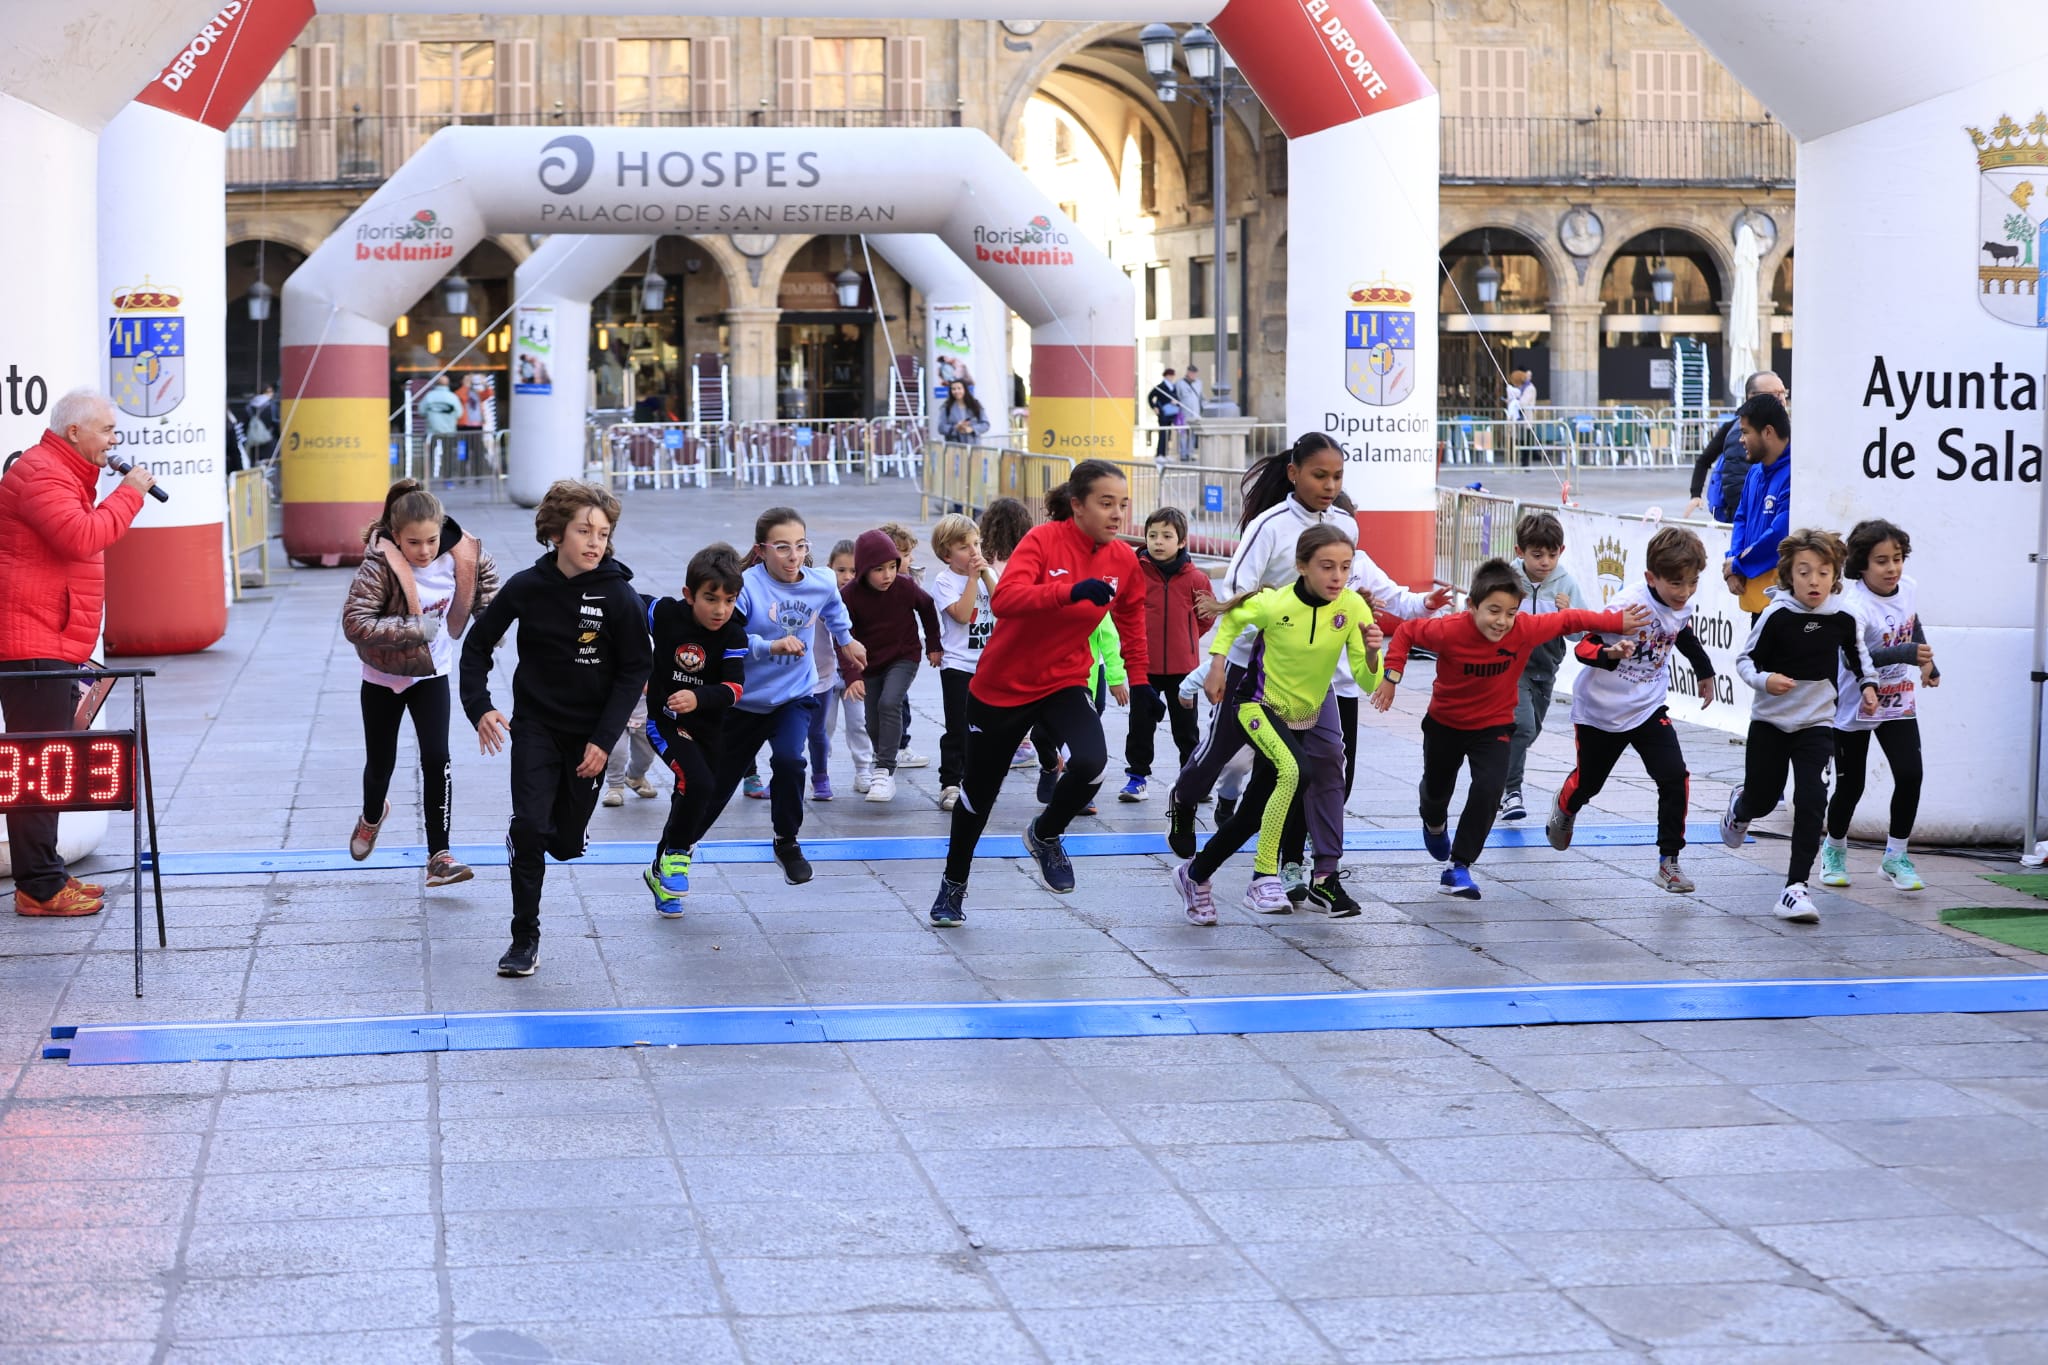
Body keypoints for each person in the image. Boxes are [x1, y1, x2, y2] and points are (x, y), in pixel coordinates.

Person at [928, 460, 1149, 927]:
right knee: (978, 796)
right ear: (1077, 505)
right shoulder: (1043, 541)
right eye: (1105, 503)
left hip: (1064, 680)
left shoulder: (1124, 560)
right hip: (1001, 686)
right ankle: (953, 885)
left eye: (1122, 505)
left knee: (1091, 763)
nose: (1116, 515)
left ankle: (1045, 834)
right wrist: (1067, 593)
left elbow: (1131, 621)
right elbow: (1006, 601)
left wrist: (1141, 680)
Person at [459, 480, 652, 976]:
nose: (594, 542)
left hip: (588, 735)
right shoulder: (527, 586)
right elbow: (477, 647)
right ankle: (524, 937)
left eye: (603, 533)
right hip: (536, 728)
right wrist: (480, 706)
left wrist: (604, 740)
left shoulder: (618, 595)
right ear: (556, 534)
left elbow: (635, 668)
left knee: (563, 843)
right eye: (584, 531)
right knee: (529, 829)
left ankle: (562, 834)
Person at [1373, 557, 1643, 900]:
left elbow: (1570, 619)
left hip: (1494, 726)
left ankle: (1459, 867)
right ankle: (1434, 821)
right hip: (1445, 724)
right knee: (1435, 792)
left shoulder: (1524, 629)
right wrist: (1392, 676)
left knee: (1488, 790)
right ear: (1472, 606)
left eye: (1511, 612)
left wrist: (1616, 621)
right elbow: (1407, 632)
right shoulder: (1449, 629)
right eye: (1493, 611)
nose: (1502, 621)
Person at [1175, 525, 1382, 924]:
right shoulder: (1275, 603)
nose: (1337, 576)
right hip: (1256, 706)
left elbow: (1366, 679)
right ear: (1302, 566)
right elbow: (1233, 619)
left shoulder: (1353, 607)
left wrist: (1374, 655)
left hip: (1301, 716)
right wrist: (1217, 665)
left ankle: (1195, 875)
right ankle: (1263, 878)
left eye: (1344, 567)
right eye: (1326, 567)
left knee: (1253, 812)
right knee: (1295, 772)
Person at [0, 389, 153, 917]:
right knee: (38, 768)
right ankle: (39, 888)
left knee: (43, 765)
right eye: (108, 430)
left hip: (49, 641)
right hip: (32, 644)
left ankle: (45, 876)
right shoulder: (42, 474)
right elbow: (81, 537)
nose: (115, 441)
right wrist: (130, 492)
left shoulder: (63, 474)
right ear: (74, 432)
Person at [1166, 433, 1352, 860]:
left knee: (1315, 761)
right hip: (1249, 666)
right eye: (1319, 475)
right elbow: (1233, 595)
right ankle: (1183, 799)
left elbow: (1352, 585)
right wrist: (1215, 665)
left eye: (1337, 476)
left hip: (1303, 670)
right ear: (1293, 473)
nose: (1329, 485)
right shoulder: (1268, 526)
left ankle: (1307, 865)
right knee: (1220, 756)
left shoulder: (1345, 524)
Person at [341, 478, 498, 889]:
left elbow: (488, 598)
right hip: (383, 676)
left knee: (437, 758)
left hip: (432, 673)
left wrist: (492, 627)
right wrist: (416, 628)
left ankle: (439, 855)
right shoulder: (378, 565)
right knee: (381, 763)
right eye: (413, 544)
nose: (424, 551)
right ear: (396, 538)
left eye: (431, 540)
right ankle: (372, 817)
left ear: (441, 529)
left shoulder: (464, 556)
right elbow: (355, 623)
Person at [1545, 527, 1718, 893]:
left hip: (1648, 707)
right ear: (1650, 578)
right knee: (1589, 784)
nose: (1685, 592)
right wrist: (1611, 653)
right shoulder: (1629, 605)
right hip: (1600, 713)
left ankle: (1668, 861)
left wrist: (1704, 671)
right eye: (1676, 583)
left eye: (1692, 582)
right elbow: (1583, 648)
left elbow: (1681, 631)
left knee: (1674, 776)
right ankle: (1565, 805)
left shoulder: (1679, 603)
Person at [1722, 528, 1880, 924]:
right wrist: (1766, 680)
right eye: (1805, 572)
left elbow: (1858, 655)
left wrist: (1869, 686)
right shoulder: (1776, 615)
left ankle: (1795, 889)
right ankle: (1740, 810)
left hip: (1817, 724)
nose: (1814, 581)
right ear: (1789, 575)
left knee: (1812, 803)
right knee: (1763, 797)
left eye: (1823, 572)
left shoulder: (1843, 616)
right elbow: (1745, 661)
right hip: (1771, 723)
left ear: (1835, 575)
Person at [702, 507, 865, 885]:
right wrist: (771, 646)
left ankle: (786, 841)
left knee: (792, 759)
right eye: (782, 548)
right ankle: (679, 848)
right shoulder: (745, 587)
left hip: (794, 695)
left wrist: (847, 640)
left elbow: (834, 609)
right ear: (761, 550)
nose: (793, 556)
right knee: (714, 786)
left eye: (800, 546)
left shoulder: (821, 581)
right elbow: (732, 640)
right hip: (744, 701)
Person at [1821, 519, 1938, 894]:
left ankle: (1895, 855)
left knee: (1910, 775)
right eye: (1882, 561)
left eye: (1898, 559)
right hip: (1857, 701)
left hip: (1897, 698)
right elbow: (1857, 654)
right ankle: (1834, 848)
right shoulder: (1853, 606)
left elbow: (1910, 624)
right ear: (1862, 565)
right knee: (1851, 784)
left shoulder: (1910, 588)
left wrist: (1927, 663)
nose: (1892, 569)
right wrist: (1905, 652)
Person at [643, 544, 749, 913]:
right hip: (665, 722)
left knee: (690, 796)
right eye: (710, 599)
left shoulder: (734, 635)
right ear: (688, 595)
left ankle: (662, 877)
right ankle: (676, 856)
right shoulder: (667, 614)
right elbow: (626, 602)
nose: (720, 610)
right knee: (698, 782)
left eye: (729, 600)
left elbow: (734, 689)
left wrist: (698, 697)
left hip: (708, 729)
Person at [1118, 507, 1214, 803]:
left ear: (1182, 541)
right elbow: (1121, 611)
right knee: (1140, 725)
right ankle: (1137, 779)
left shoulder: (1196, 578)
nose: (1158, 542)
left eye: (1167, 536)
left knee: (1186, 729)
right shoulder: (1135, 573)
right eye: (1153, 536)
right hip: (1143, 667)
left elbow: (1207, 616)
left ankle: (1192, 780)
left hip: (1183, 669)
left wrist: (1186, 639)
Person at [839, 528, 942, 804]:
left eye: (892, 566)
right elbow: (842, 637)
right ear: (862, 570)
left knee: (889, 702)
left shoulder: (905, 586)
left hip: (903, 656)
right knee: (871, 722)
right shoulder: (850, 595)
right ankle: (884, 755)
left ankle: (884, 770)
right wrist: (852, 675)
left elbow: (928, 607)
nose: (887, 575)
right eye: (878, 569)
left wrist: (934, 644)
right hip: (869, 663)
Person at [1499, 510, 1582, 824]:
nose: (1545, 562)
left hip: (1545, 669)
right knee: (1523, 727)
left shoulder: (1565, 584)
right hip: (1511, 666)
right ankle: (1512, 792)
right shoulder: (1507, 579)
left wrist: (1567, 614)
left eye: (1552, 554)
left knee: (1528, 732)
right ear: (1520, 552)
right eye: (1537, 555)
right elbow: (1487, 618)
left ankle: (1494, 780)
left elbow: (1579, 633)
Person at [929, 514, 996, 812]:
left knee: (985, 727)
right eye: (964, 547)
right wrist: (972, 579)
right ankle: (951, 782)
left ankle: (976, 779)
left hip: (988, 664)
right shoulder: (944, 581)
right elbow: (962, 614)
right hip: (958, 665)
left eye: (976, 544)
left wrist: (986, 576)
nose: (974, 552)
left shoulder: (987, 574)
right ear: (947, 554)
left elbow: (1003, 605)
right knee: (958, 726)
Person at [977, 497, 1042, 774]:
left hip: (992, 633)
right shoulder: (1027, 557)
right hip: (1025, 634)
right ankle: (1023, 742)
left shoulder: (987, 560)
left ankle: (1006, 741)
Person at [808, 539, 873, 800]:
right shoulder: (821, 596)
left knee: (859, 723)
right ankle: (819, 774)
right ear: (829, 568)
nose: (847, 577)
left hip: (854, 676)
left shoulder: (862, 599)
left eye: (854, 571)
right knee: (824, 727)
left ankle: (864, 770)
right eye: (841, 570)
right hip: (824, 677)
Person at [1723, 392, 1791, 617]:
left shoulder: (1797, 474)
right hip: (1757, 599)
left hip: (1784, 603)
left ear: (1768, 432)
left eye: (1745, 432)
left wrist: (1738, 564)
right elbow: (1741, 517)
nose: (1741, 439)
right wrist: (1734, 560)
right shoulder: (1755, 471)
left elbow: (1779, 536)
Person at [1686, 370, 1786, 523]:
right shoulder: (1734, 431)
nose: (1782, 399)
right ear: (1752, 397)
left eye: (1783, 393)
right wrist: (1695, 495)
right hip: (1748, 517)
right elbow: (1704, 460)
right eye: (1775, 394)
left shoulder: (1787, 430)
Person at [876, 522, 930, 768]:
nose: (911, 559)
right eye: (906, 554)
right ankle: (894, 747)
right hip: (882, 653)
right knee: (891, 703)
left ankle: (898, 745)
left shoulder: (907, 580)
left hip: (901, 654)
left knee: (897, 700)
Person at [936, 378, 990, 445]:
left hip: (973, 446)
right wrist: (956, 427)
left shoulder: (975, 405)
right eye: (954, 389)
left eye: (959, 388)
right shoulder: (946, 407)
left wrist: (972, 429)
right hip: (954, 447)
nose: (956, 391)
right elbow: (941, 428)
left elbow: (985, 424)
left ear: (965, 389)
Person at [1147, 368, 1182, 461]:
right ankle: (1159, 454)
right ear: (1166, 376)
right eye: (1170, 375)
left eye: (1172, 375)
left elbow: (1177, 398)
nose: (1171, 377)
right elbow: (1150, 396)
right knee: (1162, 433)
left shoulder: (1173, 387)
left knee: (1168, 433)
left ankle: (1166, 453)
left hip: (1172, 413)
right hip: (1163, 413)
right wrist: (1154, 407)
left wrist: (1176, 402)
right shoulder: (1161, 387)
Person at [1174, 366, 1204, 461]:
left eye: (1195, 374)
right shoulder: (1179, 383)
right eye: (1192, 373)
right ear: (1188, 373)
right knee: (1183, 434)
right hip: (1184, 413)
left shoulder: (1199, 383)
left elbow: (1200, 397)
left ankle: (1190, 453)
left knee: (1192, 434)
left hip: (1195, 413)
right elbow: (1177, 396)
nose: (1194, 375)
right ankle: (1183, 454)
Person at [243, 383, 278, 463]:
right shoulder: (272, 406)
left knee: (255, 468)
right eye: (269, 392)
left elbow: (245, 426)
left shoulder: (249, 407)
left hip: (253, 444)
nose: (271, 394)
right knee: (270, 467)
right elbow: (276, 424)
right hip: (269, 441)